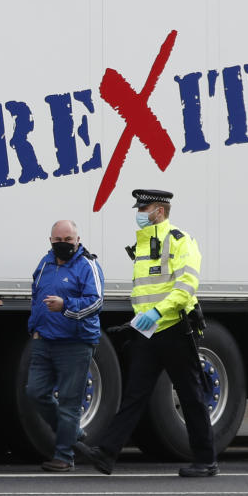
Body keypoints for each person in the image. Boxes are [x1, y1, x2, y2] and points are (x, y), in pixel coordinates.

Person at [83, 189, 217, 477]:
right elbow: (146, 290)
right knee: (135, 394)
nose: (139, 214)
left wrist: (157, 312)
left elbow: (186, 287)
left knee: (191, 395)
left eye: (144, 209)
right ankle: (106, 455)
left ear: (159, 210)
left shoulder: (180, 240)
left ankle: (206, 460)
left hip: (176, 328)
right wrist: (141, 318)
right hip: (148, 331)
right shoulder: (143, 244)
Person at [25, 219, 105, 472]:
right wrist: (34, 326)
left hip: (75, 343)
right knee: (35, 392)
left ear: (78, 240)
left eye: (68, 240)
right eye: (58, 240)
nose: (63, 244)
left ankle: (64, 456)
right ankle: (73, 433)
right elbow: (36, 295)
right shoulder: (45, 263)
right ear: (51, 241)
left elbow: (96, 302)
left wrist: (66, 306)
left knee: (70, 401)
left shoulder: (88, 265)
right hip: (44, 340)